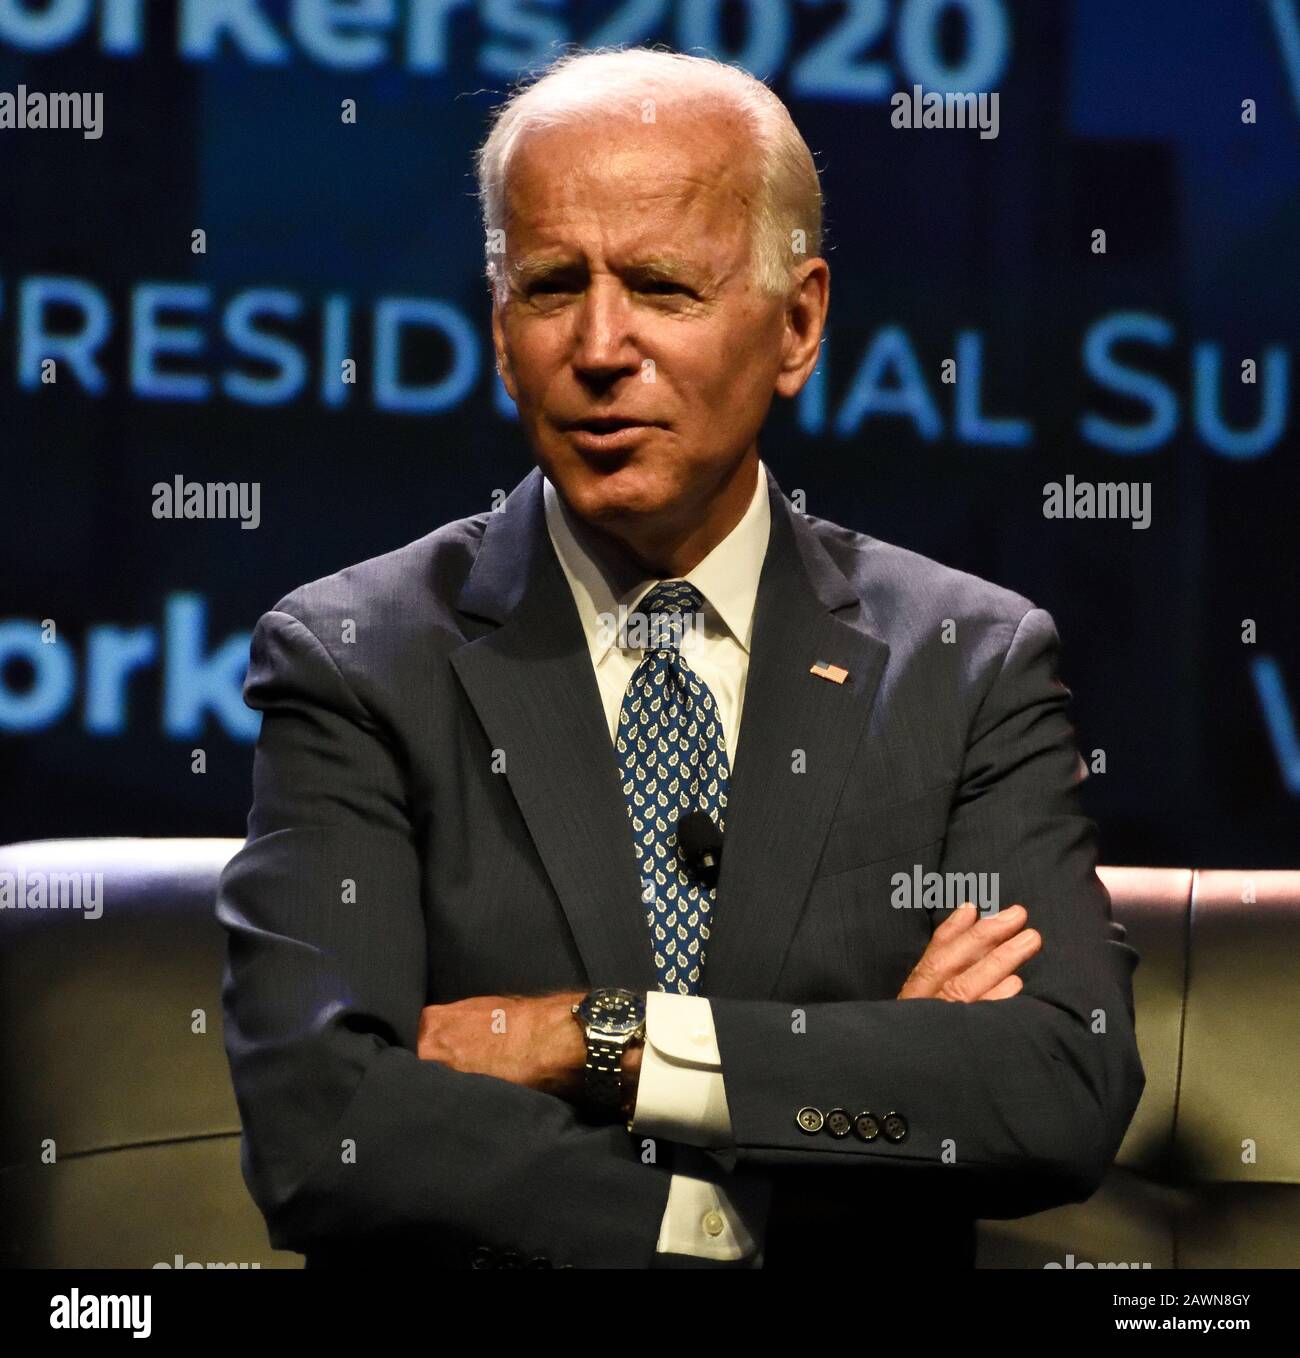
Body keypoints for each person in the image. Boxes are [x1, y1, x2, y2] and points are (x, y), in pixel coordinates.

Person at [217, 46, 1144, 1270]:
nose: (601, 345)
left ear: (798, 322)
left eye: (660, 286)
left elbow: (1055, 1082)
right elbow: (323, 1125)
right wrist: (746, 1208)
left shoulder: (965, 664)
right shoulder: (354, 658)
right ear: (501, 336)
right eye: (551, 288)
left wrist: (593, 1037)